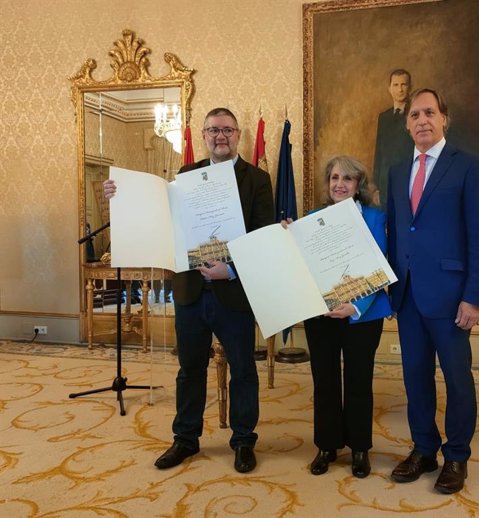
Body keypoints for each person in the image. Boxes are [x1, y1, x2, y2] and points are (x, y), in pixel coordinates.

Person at [104, 107, 274, 473]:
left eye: (227, 130)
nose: (220, 136)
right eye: (213, 130)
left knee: (243, 370)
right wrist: (118, 195)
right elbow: (159, 218)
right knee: (189, 369)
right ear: (204, 135)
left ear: (238, 135)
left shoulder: (257, 180)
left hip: (233, 290)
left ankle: (244, 440)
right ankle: (185, 439)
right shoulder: (185, 175)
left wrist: (229, 269)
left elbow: (264, 236)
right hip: (191, 291)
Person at [386, 88, 479, 494]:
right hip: (409, 294)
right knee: (415, 377)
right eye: (414, 115)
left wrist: (474, 297)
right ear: (407, 123)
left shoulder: (468, 166)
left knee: (456, 378)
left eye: (429, 112)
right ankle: (423, 449)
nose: (422, 120)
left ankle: (457, 456)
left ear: (444, 118)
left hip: (452, 297)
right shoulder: (398, 171)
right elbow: (397, 232)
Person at [300, 156, 392, 478]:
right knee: (324, 379)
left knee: (358, 380)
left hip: (362, 316)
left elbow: (379, 266)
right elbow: (302, 265)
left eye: (347, 179)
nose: (339, 184)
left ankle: (359, 449)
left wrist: (354, 306)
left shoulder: (375, 218)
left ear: (358, 185)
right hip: (321, 314)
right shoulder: (311, 218)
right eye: (334, 177)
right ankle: (326, 446)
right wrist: (288, 237)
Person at [372, 69, 414, 210]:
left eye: (404, 85)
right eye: (396, 85)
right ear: (389, 88)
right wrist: (375, 187)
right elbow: (379, 152)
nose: (400, 89)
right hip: (385, 185)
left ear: (410, 87)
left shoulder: (415, 115)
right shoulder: (384, 117)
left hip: (408, 181)